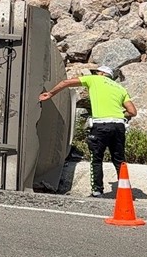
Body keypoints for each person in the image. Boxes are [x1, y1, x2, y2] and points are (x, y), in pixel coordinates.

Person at [39, 65, 137, 197]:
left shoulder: (94, 79)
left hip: (101, 125)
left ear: (101, 74)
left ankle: (97, 191)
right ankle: (125, 191)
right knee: (119, 160)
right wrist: (118, 115)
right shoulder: (120, 88)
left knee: (96, 159)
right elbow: (132, 112)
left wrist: (50, 93)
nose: (96, 74)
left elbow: (66, 82)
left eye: (97, 72)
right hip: (118, 125)